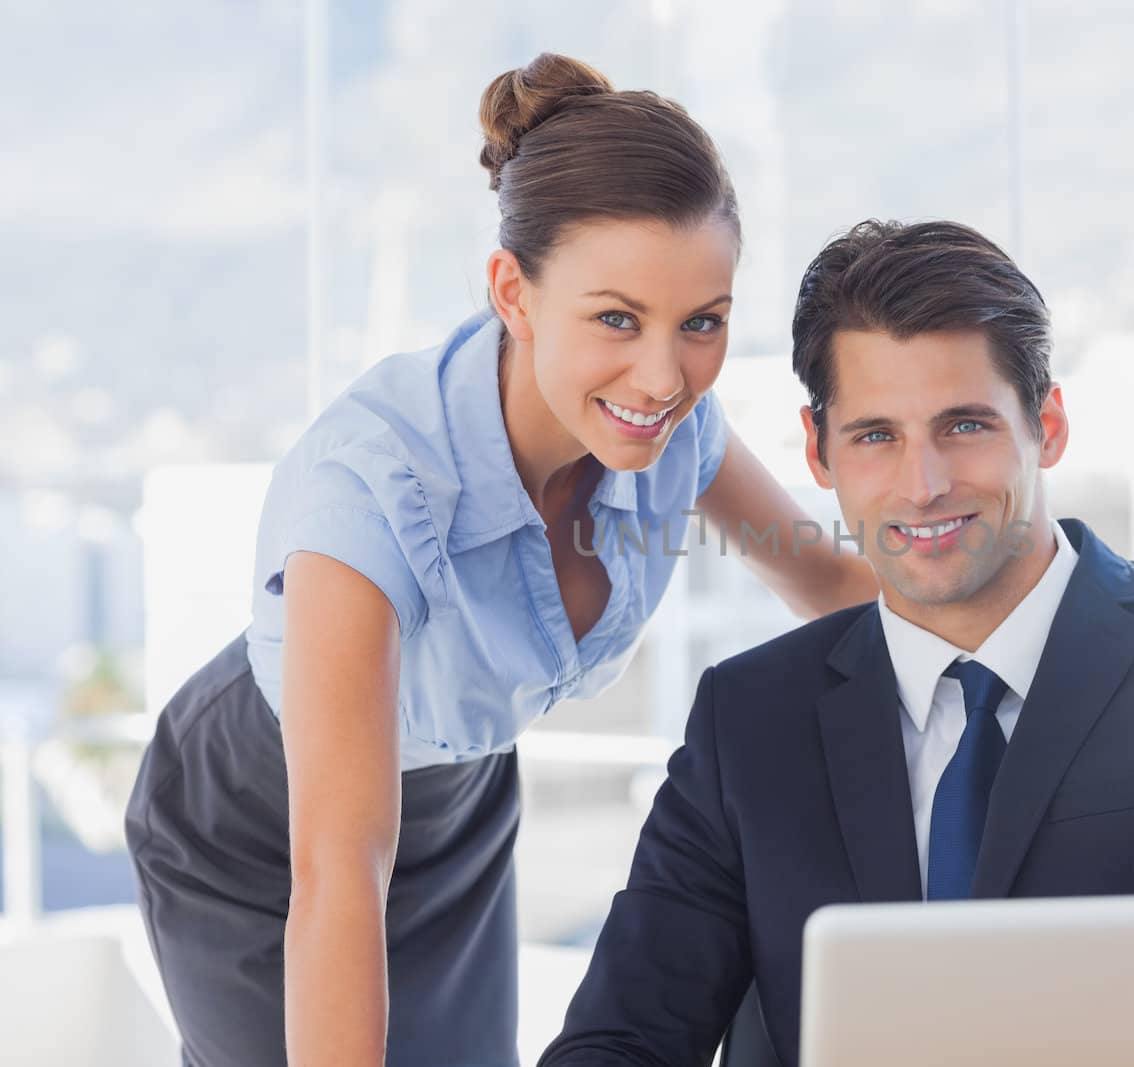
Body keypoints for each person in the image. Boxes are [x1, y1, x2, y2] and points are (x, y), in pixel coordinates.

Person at [122, 54, 877, 1067]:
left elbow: (824, 581)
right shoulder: (369, 492)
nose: (664, 374)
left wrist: (1029, 647)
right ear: (511, 293)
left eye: (701, 321)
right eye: (616, 317)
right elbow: (338, 865)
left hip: (459, 792)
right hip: (263, 818)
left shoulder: (675, 432)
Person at [540, 219, 1134, 1067]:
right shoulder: (750, 719)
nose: (923, 486)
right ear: (818, 452)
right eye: (876, 436)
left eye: (964, 426)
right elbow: (623, 1035)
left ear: (1049, 425)